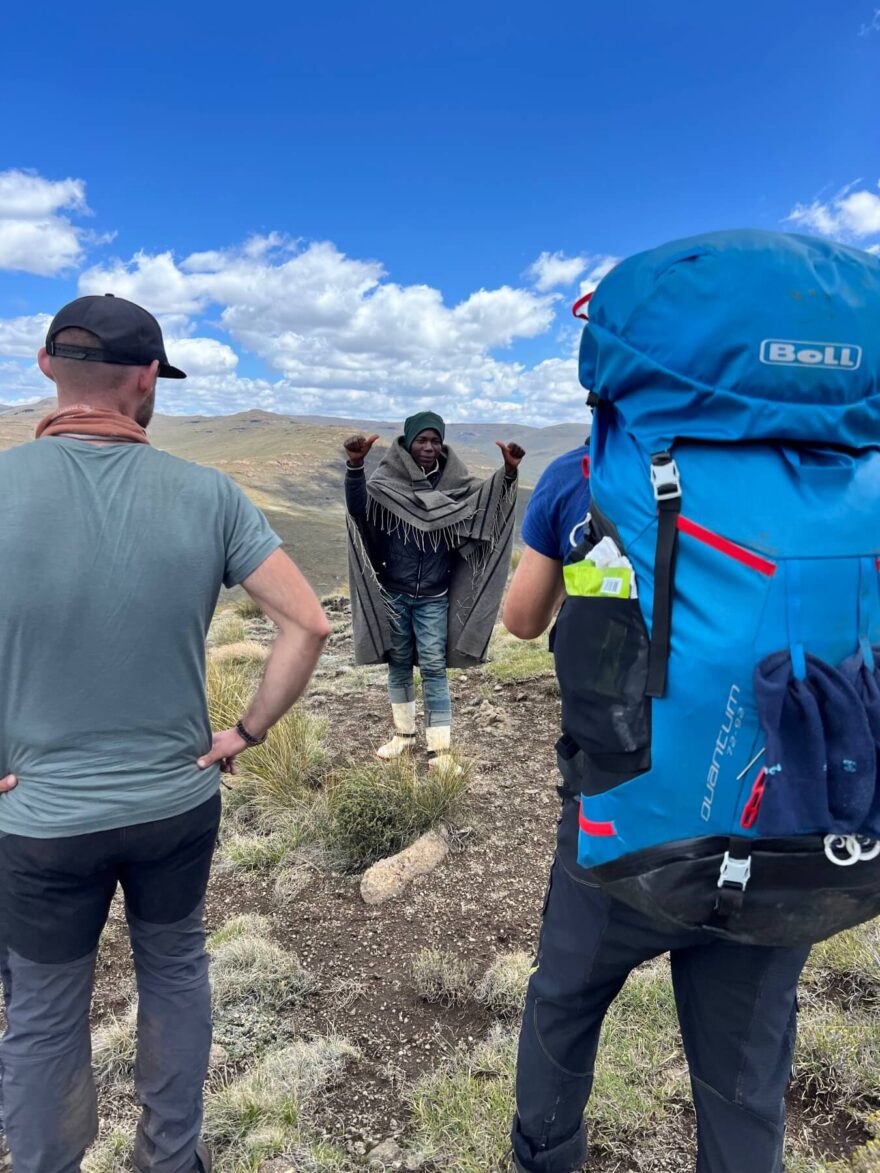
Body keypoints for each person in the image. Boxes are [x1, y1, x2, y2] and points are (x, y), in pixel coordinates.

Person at [0, 294, 330, 1173]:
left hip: (39, 815)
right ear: (147, 379)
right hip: (176, 801)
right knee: (176, 970)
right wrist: (246, 732)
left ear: (45, 366)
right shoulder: (209, 494)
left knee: (42, 1013)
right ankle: (171, 1157)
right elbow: (307, 624)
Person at [503, 445, 810, 1173]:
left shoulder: (582, 474)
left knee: (565, 1006)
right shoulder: (820, 475)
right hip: (772, 834)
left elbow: (521, 619)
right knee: (744, 1076)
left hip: (622, 825)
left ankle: (545, 1155)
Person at [344, 412, 524, 768]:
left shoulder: (455, 484)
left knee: (433, 668)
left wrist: (508, 473)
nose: (428, 447)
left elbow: (488, 506)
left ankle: (440, 751)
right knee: (398, 664)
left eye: (435, 440)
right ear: (408, 442)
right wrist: (355, 467)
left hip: (434, 597)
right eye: (421, 440)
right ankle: (403, 736)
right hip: (394, 595)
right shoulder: (387, 482)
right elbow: (358, 509)